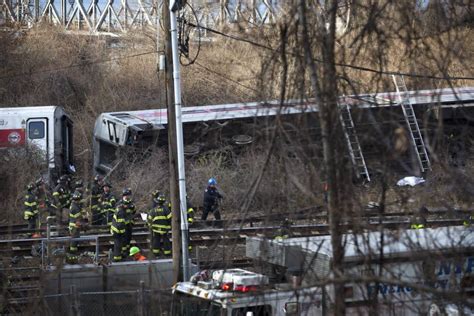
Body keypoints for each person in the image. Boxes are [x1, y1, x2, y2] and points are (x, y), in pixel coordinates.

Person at [147, 193, 172, 257]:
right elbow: (170, 219)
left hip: (155, 229)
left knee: (156, 240)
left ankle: (156, 253)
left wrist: (150, 227)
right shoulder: (166, 209)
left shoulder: (153, 210)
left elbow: (149, 220)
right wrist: (169, 226)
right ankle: (167, 253)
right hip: (164, 229)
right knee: (166, 240)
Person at [118, 188, 136, 256]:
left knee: (129, 238)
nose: (127, 196)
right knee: (124, 239)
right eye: (126, 195)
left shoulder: (131, 203)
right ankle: (123, 251)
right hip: (123, 224)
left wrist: (133, 207)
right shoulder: (120, 203)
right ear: (123, 196)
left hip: (130, 224)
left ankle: (127, 250)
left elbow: (134, 212)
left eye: (128, 195)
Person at [68, 191, 84, 260]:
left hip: (73, 226)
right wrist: (84, 225)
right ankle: (72, 254)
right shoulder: (75, 208)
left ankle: (73, 254)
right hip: (75, 227)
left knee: (74, 241)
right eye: (79, 199)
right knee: (74, 241)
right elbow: (78, 220)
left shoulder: (73, 205)